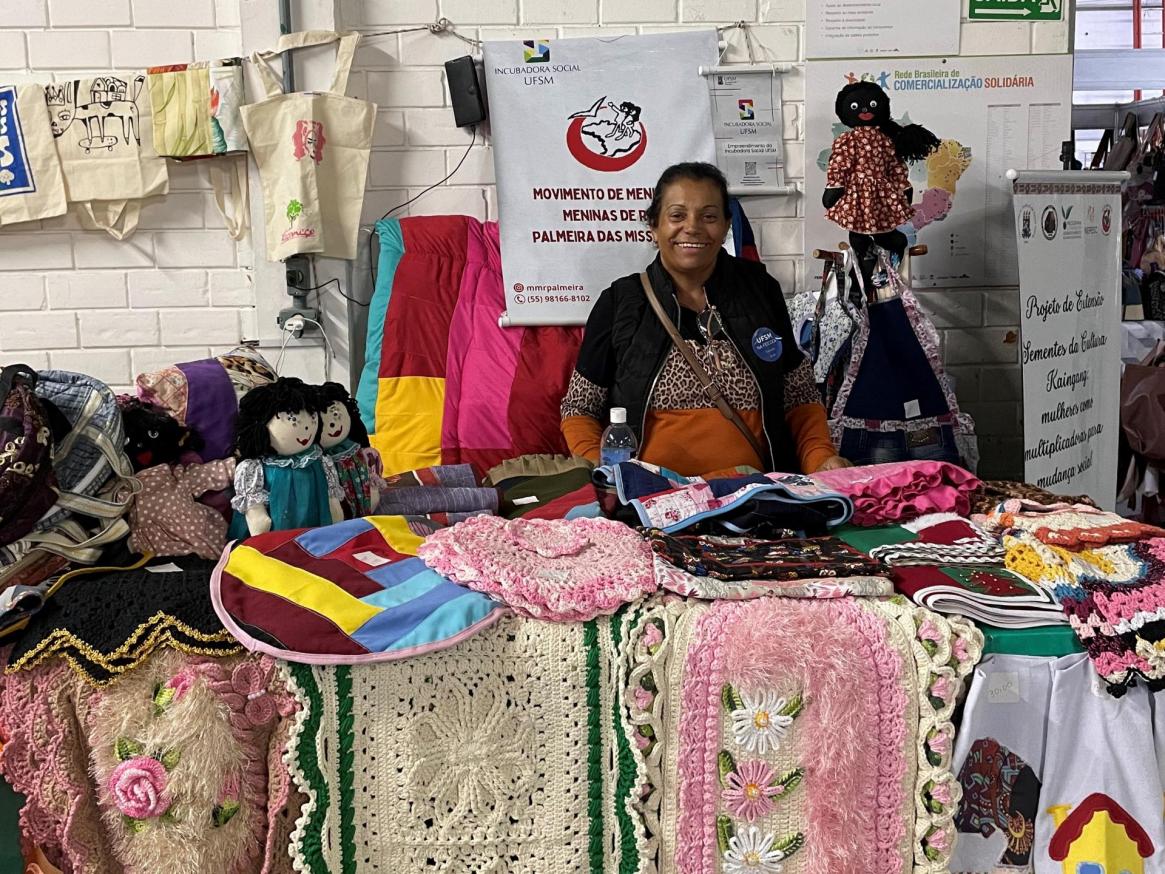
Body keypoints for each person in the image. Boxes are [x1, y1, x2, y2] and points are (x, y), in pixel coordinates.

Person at [560, 161, 849, 478]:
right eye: (677, 215)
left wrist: (821, 459)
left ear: (726, 225)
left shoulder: (760, 291)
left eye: (709, 216)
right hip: (653, 505)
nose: (693, 227)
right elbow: (579, 408)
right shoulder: (620, 303)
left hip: (757, 497)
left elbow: (799, 395)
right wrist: (611, 476)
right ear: (654, 226)